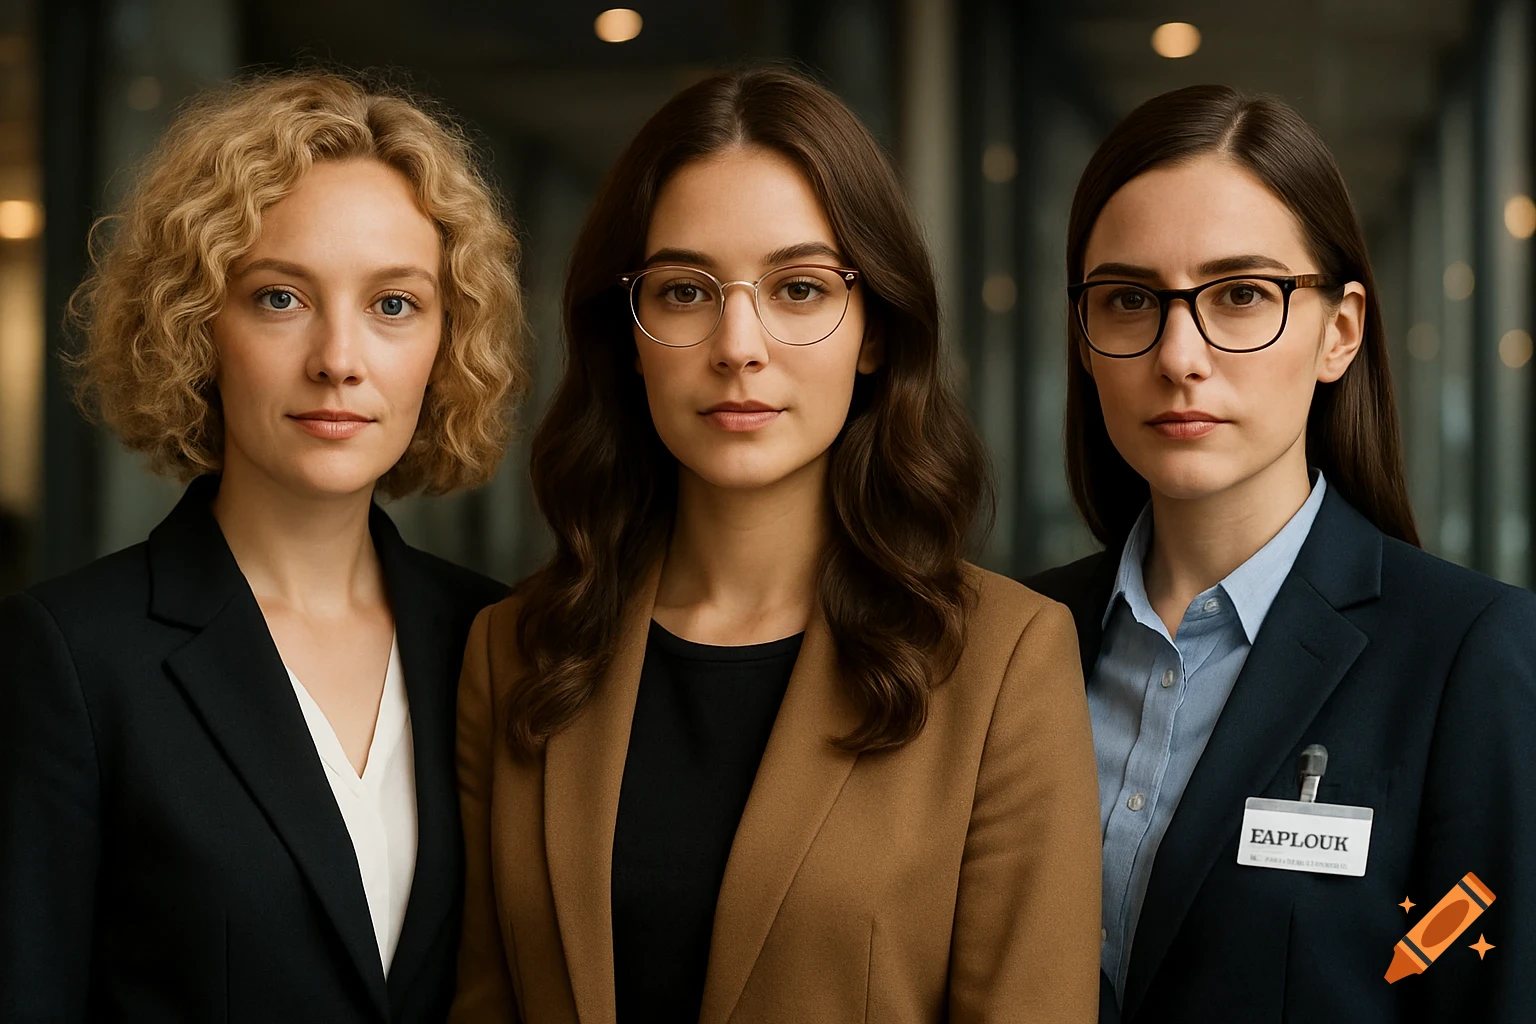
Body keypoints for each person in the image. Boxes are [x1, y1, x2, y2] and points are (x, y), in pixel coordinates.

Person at [450, 67, 1102, 1024]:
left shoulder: (1005, 663)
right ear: (629, 336)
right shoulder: (512, 654)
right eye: (684, 291)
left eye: (799, 288)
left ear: (874, 329)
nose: (738, 344)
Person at [0, 72, 526, 1022]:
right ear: (196, 328)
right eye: (280, 298)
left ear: (449, 343)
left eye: (394, 305)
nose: (338, 358)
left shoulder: (499, 639)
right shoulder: (71, 659)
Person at [1026, 84, 1536, 1024]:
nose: (1180, 354)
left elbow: (1484, 987)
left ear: (1340, 331)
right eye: (1132, 299)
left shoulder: (1466, 653)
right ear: (1085, 337)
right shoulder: (1013, 640)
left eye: (1242, 294)